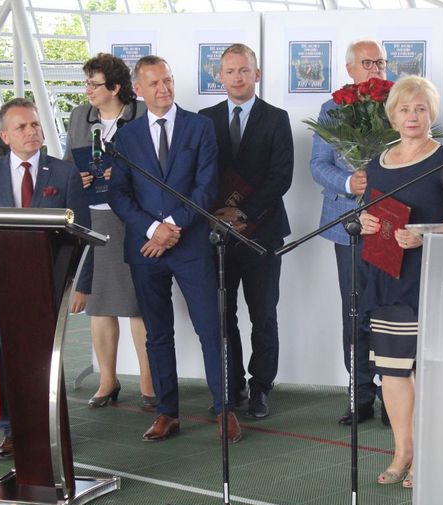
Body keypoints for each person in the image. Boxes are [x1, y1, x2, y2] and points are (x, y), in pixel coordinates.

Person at [108, 55, 241, 444]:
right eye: (154, 83)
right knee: (158, 334)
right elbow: (119, 194)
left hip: (191, 245)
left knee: (211, 329)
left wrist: (172, 227)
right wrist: (154, 230)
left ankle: (224, 409)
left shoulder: (199, 127)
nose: (163, 88)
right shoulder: (126, 137)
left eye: (167, 80)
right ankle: (167, 412)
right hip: (146, 249)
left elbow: (206, 187)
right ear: (138, 90)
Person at [359, 75, 443, 489]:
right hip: (386, 278)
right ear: (393, 116)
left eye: (421, 109)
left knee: (428, 371)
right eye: (405, 109)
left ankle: (429, 455)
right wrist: (365, 220)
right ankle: (403, 450)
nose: (412, 116)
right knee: (393, 371)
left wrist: (426, 234)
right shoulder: (378, 162)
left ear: (432, 115)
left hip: (431, 277)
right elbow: (369, 213)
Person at [0, 97, 92, 460]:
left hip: (48, 285)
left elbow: (85, 234)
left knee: (44, 360)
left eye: (35, 124)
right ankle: (10, 430)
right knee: (3, 356)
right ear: (5, 135)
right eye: (21, 126)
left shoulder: (64, 174)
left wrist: (82, 285)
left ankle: (48, 427)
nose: (31, 131)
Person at [199, 44, 294, 419]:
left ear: (257, 74)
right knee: (224, 315)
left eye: (244, 70)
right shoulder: (205, 120)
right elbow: (199, 174)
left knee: (263, 314)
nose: (237, 77)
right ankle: (232, 384)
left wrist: (243, 212)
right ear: (220, 77)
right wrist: (218, 216)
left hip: (263, 234)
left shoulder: (276, 118)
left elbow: (281, 177)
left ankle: (261, 388)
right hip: (217, 235)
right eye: (230, 71)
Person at [63, 53, 155, 410]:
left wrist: (123, 176)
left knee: (138, 305)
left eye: (94, 84)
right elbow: (68, 165)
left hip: (133, 218)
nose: (88, 90)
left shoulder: (142, 114)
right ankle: (107, 380)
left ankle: (149, 381)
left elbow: (155, 164)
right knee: (99, 305)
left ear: (115, 88)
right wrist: (79, 177)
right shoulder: (78, 116)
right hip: (94, 218)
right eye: (86, 83)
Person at [311, 38, 387, 425]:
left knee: (391, 312)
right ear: (350, 69)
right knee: (355, 311)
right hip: (349, 226)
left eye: (380, 63)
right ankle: (360, 394)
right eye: (367, 63)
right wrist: (348, 182)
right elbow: (318, 165)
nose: (375, 69)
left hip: (392, 225)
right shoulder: (331, 110)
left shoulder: (399, 104)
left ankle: (394, 395)